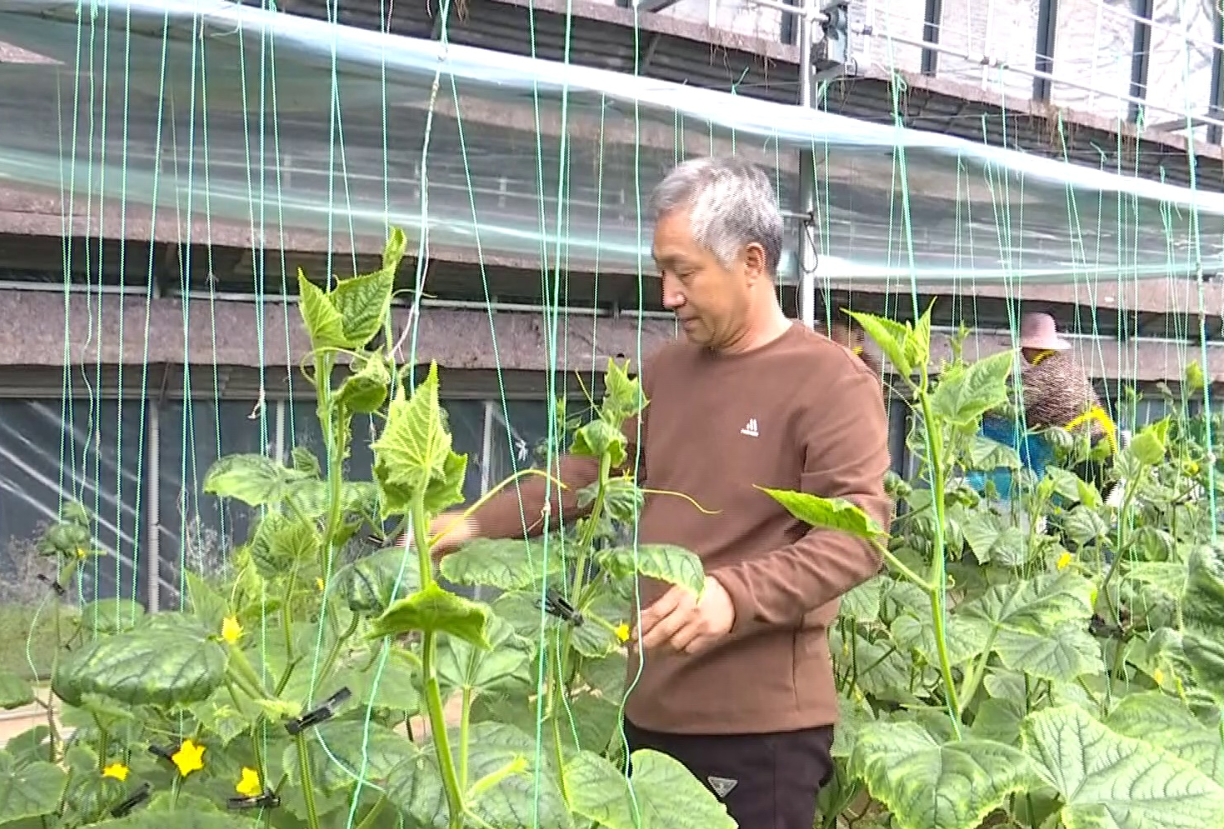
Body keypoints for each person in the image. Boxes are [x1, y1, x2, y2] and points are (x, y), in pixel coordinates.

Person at [422, 155, 893, 829]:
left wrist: (731, 594)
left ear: (752, 262)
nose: (668, 294)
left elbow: (856, 536)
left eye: (685, 272)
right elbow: (589, 474)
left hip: (758, 730)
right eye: (661, 272)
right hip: (650, 711)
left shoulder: (830, 381)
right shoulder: (667, 372)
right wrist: (471, 523)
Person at [974, 312, 1115, 496]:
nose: (1022, 352)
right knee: (1092, 504)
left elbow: (1004, 405)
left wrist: (977, 409)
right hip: (1106, 443)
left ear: (1031, 347)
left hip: (1086, 450)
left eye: (1024, 347)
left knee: (1071, 507)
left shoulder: (1040, 375)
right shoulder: (1067, 365)